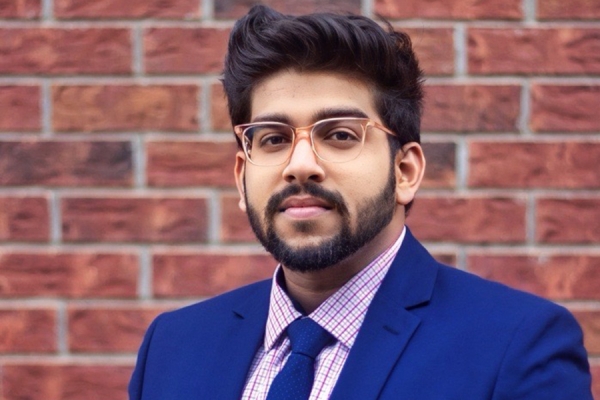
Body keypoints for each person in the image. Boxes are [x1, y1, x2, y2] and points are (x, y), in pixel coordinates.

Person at [129, 5, 592, 399]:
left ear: (404, 171)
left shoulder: (516, 345)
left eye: (340, 135)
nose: (300, 165)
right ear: (241, 176)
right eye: (273, 139)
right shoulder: (173, 347)